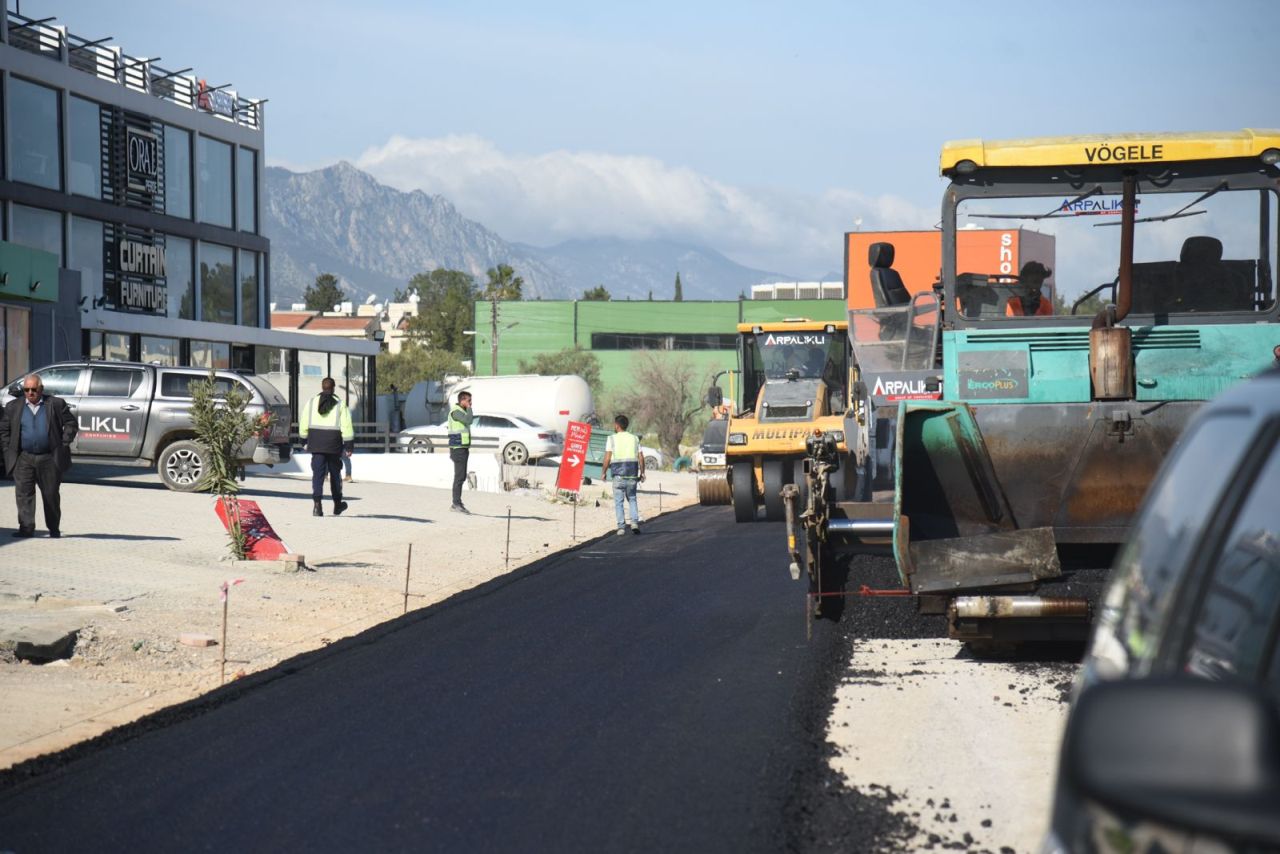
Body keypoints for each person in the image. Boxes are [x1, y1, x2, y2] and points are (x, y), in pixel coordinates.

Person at [1, 374, 78, 538]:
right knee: (24, 495)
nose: (30, 393)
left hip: (49, 458)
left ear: (41, 389)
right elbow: (4, 430)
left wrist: (64, 443)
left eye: (34, 389)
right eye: (26, 389)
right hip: (24, 458)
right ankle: (26, 528)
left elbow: (71, 423)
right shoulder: (13, 406)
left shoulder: (55, 404)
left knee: (50, 495)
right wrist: (8, 449)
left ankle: (54, 528)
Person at [299, 377, 353, 517]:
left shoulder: (311, 402)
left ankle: (317, 506)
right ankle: (337, 505)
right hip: (333, 444)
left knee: (318, 475)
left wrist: (303, 440)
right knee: (335, 474)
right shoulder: (340, 404)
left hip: (316, 443)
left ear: (322, 387)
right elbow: (346, 426)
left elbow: (303, 422)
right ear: (333, 388)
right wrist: (349, 445)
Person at [600, 414, 645, 535]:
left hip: (618, 476)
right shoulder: (635, 438)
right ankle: (634, 523)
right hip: (632, 475)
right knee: (632, 498)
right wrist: (642, 473)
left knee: (619, 502)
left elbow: (607, 458)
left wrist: (603, 472)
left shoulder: (611, 439)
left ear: (617, 425)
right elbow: (641, 457)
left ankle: (621, 527)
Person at [447, 391, 473, 514]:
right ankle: (456, 504)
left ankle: (457, 502)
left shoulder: (461, 411)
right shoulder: (456, 411)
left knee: (461, 476)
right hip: (458, 448)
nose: (470, 403)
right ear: (462, 400)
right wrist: (469, 409)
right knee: (459, 477)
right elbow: (469, 420)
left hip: (462, 447)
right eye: (468, 400)